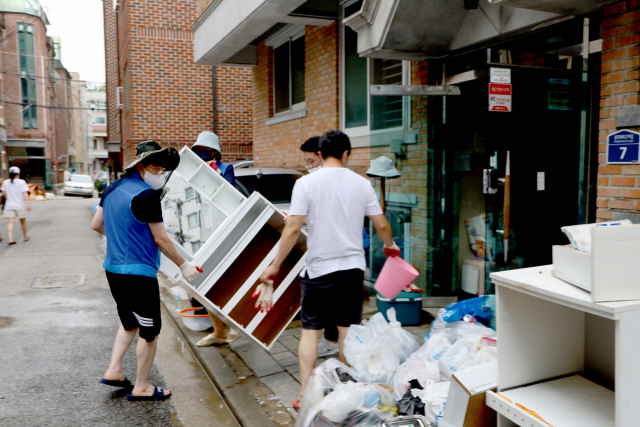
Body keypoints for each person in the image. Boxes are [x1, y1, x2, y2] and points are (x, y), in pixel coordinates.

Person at [257, 130, 400, 409]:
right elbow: (381, 224)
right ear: (347, 153)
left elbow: (293, 227)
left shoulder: (306, 184)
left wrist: (274, 266)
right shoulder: (361, 184)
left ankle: (305, 394)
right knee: (348, 330)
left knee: (311, 330)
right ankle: (349, 394)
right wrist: (390, 245)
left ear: (320, 155)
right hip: (352, 270)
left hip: (319, 268)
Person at [91, 140, 202, 402]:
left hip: (113, 269)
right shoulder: (147, 196)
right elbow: (161, 240)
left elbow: (97, 224)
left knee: (129, 322)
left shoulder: (112, 188)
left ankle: (114, 370)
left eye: (164, 168)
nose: (161, 172)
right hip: (138, 276)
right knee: (149, 332)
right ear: (141, 165)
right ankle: (141, 386)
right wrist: (184, 264)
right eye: (157, 166)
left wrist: (121, 236)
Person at [190, 131, 239, 347]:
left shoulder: (226, 168)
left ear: (213, 152)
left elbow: (230, 197)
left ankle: (230, 326)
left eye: (204, 150)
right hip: (200, 233)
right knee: (201, 284)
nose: (200, 153)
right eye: (197, 150)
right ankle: (219, 331)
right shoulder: (190, 169)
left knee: (225, 281)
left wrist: (214, 175)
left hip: (222, 232)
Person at [1, 166, 30, 245]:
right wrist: (27, 203)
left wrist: (8, 199)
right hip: (20, 205)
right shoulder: (22, 182)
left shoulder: (5, 182)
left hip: (9, 205)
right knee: (23, 222)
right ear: (18, 173)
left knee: (10, 222)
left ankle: (10, 239)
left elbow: (4, 193)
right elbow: (25, 193)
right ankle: (25, 237)